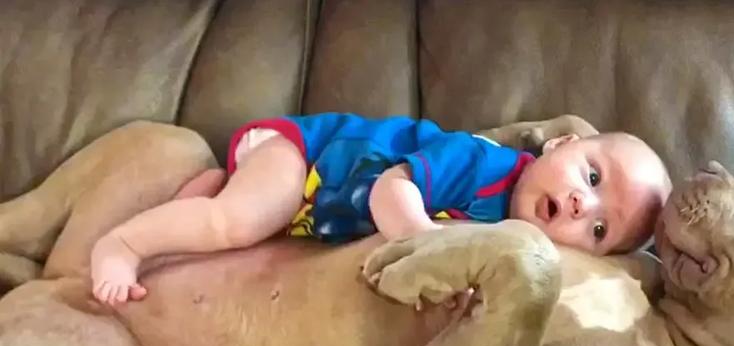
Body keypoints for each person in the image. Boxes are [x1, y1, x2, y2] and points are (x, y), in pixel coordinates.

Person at [90, 113, 671, 305]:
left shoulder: (506, 233)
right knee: (237, 225)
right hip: (306, 157)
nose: (579, 201)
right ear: (560, 144)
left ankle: (210, 191)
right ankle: (124, 245)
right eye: (592, 176)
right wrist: (429, 247)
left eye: (598, 226)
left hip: (315, 215)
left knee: (251, 242)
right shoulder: (482, 164)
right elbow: (389, 192)